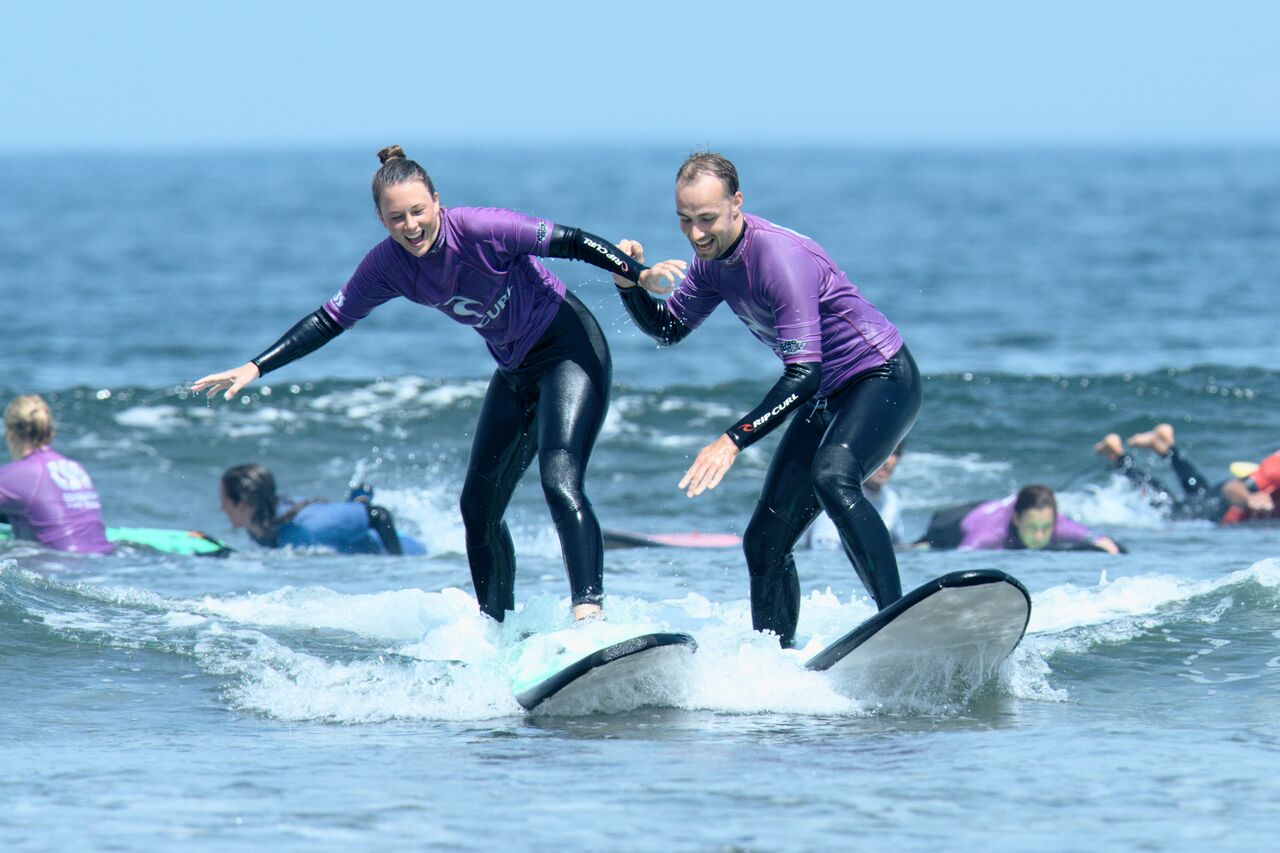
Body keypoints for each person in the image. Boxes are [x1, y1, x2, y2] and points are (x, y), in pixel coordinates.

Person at [193, 146, 683, 622]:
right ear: (382, 221)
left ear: (437, 203)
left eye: (418, 212)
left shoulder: (480, 228)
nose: (411, 227)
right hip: (515, 369)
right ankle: (498, 629)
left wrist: (638, 275)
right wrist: (256, 367)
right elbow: (329, 319)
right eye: (397, 218)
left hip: (570, 351)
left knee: (559, 480)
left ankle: (588, 611)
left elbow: (572, 241)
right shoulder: (388, 264)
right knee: (478, 506)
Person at [610, 151, 922, 648]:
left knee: (832, 477)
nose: (695, 235)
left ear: (737, 203)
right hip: (825, 391)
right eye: (685, 221)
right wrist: (629, 286)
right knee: (764, 542)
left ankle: (900, 621)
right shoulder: (713, 264)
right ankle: (775, 662)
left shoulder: (778, 259)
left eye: (707, 219)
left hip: (880, 377)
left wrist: (732, 441)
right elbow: (668, 329)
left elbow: (802, 374)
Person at [219, 464, 423, 555]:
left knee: (361, 509)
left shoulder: (312, 526)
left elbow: (379, 515)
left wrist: (397, 565)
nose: (221, 507)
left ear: (243, 505)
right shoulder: (258, 523)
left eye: (225, 501)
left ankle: (358, 501)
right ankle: (356, 502)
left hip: (413, 554)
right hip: (359, 558)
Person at [1095, 424, 1279, 524]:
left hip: (1212, 503)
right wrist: (1249, 499)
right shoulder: (1276, 468)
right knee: (1169, 507)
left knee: (1198, 491)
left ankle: (1164, 446)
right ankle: (1118, 455)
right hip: (1216, 512)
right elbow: (1232, 487)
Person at [0, 395, 112, 554]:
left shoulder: (17, 475)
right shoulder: (75, 467)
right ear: (51, 432)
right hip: (106, 560)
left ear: (10, 433)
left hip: (62, 568)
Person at [915, 484, 1122, 553]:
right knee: (932, 542)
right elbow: (964, 555)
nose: (1039, 535)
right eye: (1032, 527)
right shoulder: (993, 532)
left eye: (1045, 527)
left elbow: (1100, 540)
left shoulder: (1057, 524)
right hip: (952, 523)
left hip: (992, 507)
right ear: (1016, 519)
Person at [802, 440, 907, 549]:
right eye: (881, 451)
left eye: (892, 453)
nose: (886, 461)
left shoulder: (891, 499)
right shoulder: (837, 494)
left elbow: (896, 547)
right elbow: (823, 551)